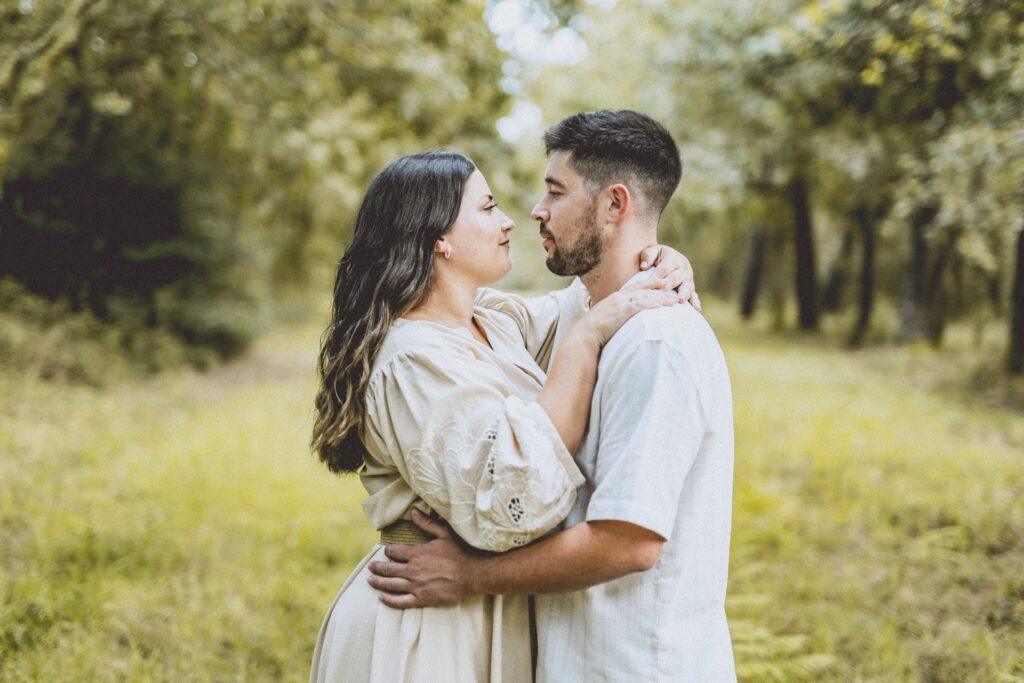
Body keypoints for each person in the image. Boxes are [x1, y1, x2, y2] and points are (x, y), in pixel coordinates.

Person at [368, 111, 737, 682]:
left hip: (636, 665)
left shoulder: (654, 340)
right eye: (489, 207)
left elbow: (630, 542)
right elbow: (577, 311)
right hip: (478, 633)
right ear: (436, 239)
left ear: (615, 205)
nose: (532, 212)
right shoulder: (574, 326)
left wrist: (472, 576)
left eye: (554, 191)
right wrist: (649, 267)